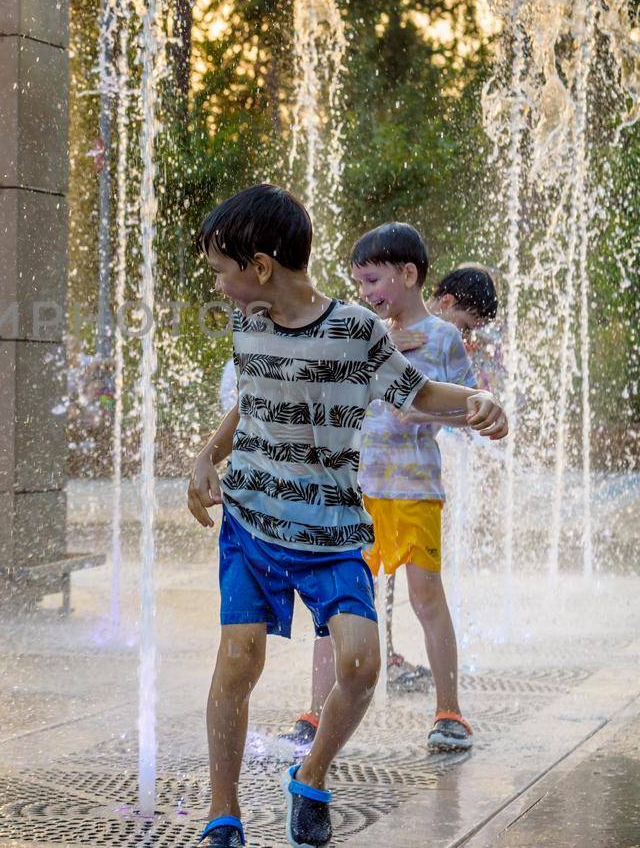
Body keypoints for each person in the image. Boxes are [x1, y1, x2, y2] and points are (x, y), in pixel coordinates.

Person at [186, 186, 508, 848]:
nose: (220, 286)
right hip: (252, 522)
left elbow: (414, 392)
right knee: (239, 660)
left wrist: (476, 400)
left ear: (263, 265)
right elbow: (248, 405)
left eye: (223, 269)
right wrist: (203, 459)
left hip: (333, 529)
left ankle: (312, 775)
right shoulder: (249, 326)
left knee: (361, 665)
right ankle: (224, 814)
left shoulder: (357, 331)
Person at [292, 225, 480, 753]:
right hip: (359, 491)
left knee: (426, 597)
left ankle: (449, 711)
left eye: (373, 280)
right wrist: (380, 346)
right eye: (359, 283)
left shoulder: (443, 337)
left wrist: (419, 411)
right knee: (338, 603)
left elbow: (467, 407)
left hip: (416, 488)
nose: (366, 293)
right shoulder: (366, 330)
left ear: (409, 274)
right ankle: (314, 713)